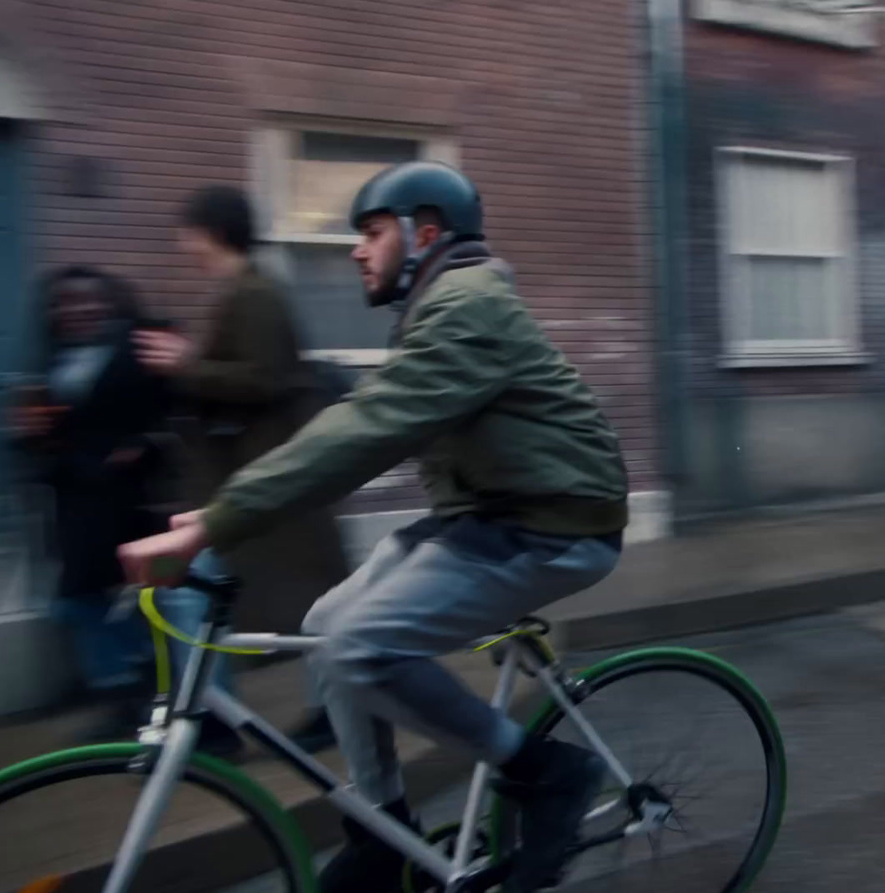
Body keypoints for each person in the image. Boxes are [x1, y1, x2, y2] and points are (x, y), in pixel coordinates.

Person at [120, 162, 629, 893]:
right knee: (328, 622)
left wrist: (218, 521)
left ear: (425, 234)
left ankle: (549, 775)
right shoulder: (436, 309)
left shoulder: (467, 305)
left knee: (365, 644)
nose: (355, 249)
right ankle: (383, 828)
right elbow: (370, 415)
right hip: (490, 515)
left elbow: (370, 427)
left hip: (557, 527)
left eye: (371, 231)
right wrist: (215, 513)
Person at [134, 185, 352, 754]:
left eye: (189, 232)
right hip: (250, 480)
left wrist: (186, 365)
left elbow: (264, 378)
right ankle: (218, 718)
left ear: (211, 231)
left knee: (209, 592)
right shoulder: (243, 290)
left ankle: (219, 720)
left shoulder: (254, 293)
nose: (183, 245)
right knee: (215, 593)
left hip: (266, 478)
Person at [11, 267, 166, 742]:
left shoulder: (133, 350)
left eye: (88, 301)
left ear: (109, 304)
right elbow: (43, 428)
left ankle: (138, 689)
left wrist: (139, 446)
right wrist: (32, 434)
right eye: (66, 303)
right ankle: (130, 690)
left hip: (122, 498)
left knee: (105, 598)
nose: (78, 310)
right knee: (79, 601)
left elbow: (165, 412)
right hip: (73, 497)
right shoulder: (52, 361)